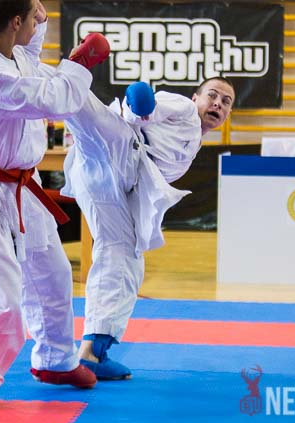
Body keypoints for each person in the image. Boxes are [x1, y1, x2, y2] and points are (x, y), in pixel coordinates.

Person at [0, 0, 109, 409]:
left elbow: (31, 53)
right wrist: (78, 65)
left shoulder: (9, 51)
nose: (38, 24)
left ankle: (55, 360)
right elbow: (52, 99)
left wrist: (31, 7)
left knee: (52, 274)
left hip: (23, 186)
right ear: (15, 22)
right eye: (32, 18)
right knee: (5, 294)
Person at [63, 77, 235, 380]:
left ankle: (93, 350)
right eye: (213, 95)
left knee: (124, 255)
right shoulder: (184, 109)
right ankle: (56, 72)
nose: (218, 104)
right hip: (117, 149)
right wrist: (140, 106)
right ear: (195, 98)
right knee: (77, 101)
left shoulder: (192, 143)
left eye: (226, 102)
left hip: (106, 176)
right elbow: (147, 108)